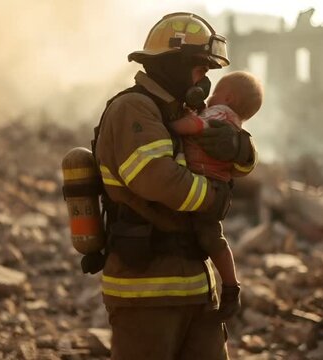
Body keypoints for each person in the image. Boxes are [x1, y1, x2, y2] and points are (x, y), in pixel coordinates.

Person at [91, 13, 257, 360]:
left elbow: (237, 164)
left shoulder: (182, 112)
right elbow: (158, 179)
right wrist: (215, 198)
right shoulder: (134, 108)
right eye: (200, 70)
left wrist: (240, 147)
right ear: (174, 64)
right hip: (147, 293)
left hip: (196, 289)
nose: (205, 82)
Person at [169, 71, 262, 288]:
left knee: (212, 238)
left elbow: (198, 126)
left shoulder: (220, 113)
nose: (209, 96)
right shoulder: (232, 120)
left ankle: (231, 284)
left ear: (229, 99)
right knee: (213, 239)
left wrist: (170, 126)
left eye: (216, 93)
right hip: (212, 187)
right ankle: (230, 284)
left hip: (206, 187)